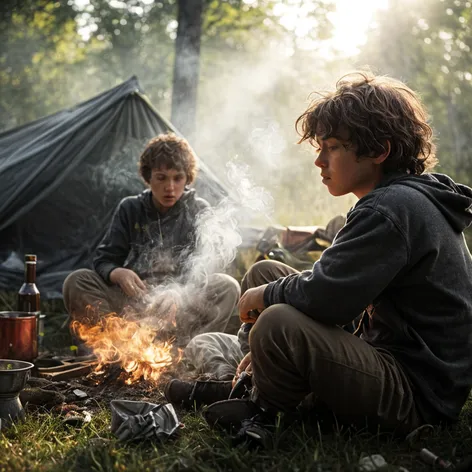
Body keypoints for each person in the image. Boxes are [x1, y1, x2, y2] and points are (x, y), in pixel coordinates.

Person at [165, 72, 472, 444]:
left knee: (277, 318)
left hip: (417, 394)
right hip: (394, 357)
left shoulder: (391, 208)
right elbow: (349, 294)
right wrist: (271, 290)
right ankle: (253, 380)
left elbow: (329, 297)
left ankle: (262, 408)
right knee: (266, 272)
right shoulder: (399, 199)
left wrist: (268, 298)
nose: (319, 161)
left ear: (378, 151)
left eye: (332, 147)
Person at [63, 132, 241, 346]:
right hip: (134, 304)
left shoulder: (198, 210)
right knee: (77, 280)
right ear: (148, 178)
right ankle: (114, 350)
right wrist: (117, 273)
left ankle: (191, 352)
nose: (170, 187)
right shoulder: (130, 208)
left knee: (227, 286)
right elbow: (104, 259)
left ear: (188, 178)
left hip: (181, 307)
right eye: (161, 178)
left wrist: (179, 293)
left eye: (178, 178)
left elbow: (205, 267)